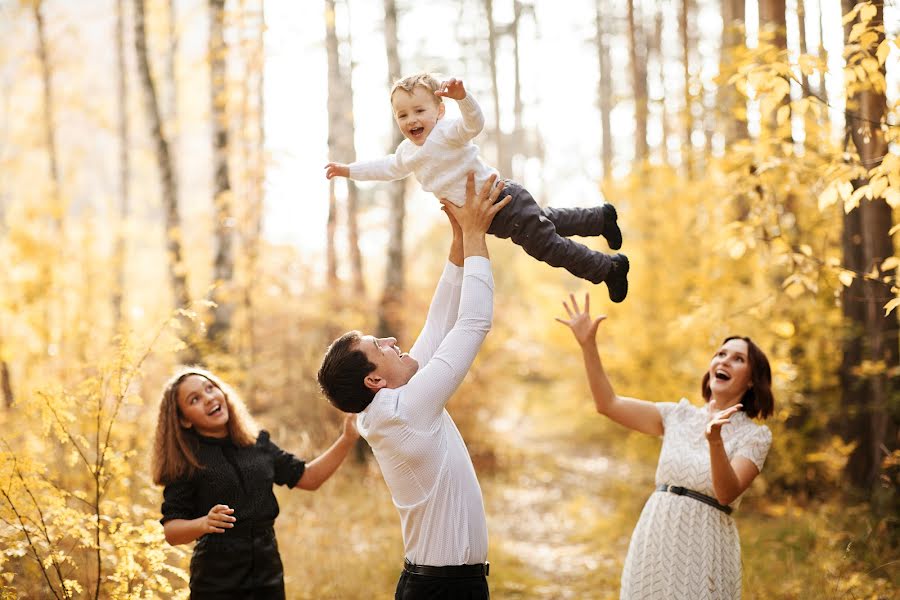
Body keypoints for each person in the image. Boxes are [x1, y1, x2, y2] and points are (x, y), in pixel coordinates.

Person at [316, 172, 509, 599]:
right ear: (375, 379)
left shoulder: (393, 404)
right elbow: (473, 322)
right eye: (378, 345)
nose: (390, 341)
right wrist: (478, 236)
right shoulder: (405, 411)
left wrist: (460, 236)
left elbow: (439, 322)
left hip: (441, 585)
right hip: (442, 589)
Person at [324, 72, 629, 303]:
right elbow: (386, 168)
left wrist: (463, 98)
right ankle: (600, 218)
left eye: (419, 111)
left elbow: (474, 124)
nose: (411, 120)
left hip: (502, 199)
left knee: (545, 245)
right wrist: (348, 170)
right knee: (547, 221)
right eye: (402, 115)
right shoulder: (407, 152)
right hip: (494, 213)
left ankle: (607, 268)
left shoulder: (446, 133)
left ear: (439, 111)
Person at [555, 293, 774, 599]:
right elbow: (608, 404)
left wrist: (714, 441)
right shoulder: (677, 415)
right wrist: (588, 346)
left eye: (738, 359)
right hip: (656, 536)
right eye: (721, 354)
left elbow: (727, 492)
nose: (724, 361)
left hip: (706, 547)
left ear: (752, 381)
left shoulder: (755, 436)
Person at [152, 367, 359, 599]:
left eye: (210, 388)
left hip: (268, 570)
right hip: (216, 580)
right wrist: (204, 523)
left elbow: (309, 478)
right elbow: (172, 531)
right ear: (184, 420)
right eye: (195, 399)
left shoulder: (257, 442)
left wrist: (347, 438)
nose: (209, 398)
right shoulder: (187, 461)